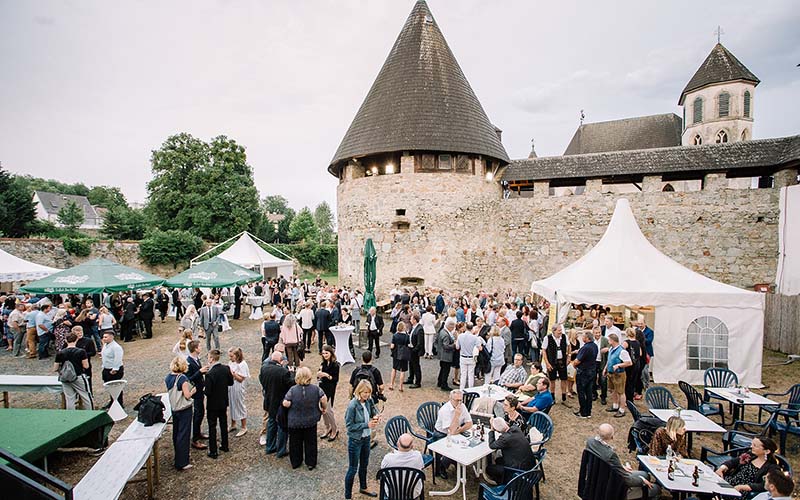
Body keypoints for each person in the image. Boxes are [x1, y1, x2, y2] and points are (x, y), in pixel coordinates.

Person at [585, 424, 659, 498]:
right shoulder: (610, 455)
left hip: (597, 479)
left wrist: (621, 467)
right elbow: (627, 480)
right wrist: (642, 481)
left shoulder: (590, 442)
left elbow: (608, 464)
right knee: (656, 489)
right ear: (612, 437)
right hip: (612, 489)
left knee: (645, 474)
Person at [282, 366, 328, 470]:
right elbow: (324, 398)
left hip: (295, 421)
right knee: (311, 441)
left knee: (294, 442)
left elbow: (286, 403)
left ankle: (296, 462)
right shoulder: (316, 389)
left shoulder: (292, 390)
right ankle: (311, 462)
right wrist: (323, 408)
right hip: (311, 420)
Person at [344, 380, 380, 499]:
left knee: (364, 464)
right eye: (364, 392)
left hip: (366, 438)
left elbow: (374, 410)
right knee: (353, 468)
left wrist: (376, 416)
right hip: (355, 440)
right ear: (359, 391)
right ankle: (348, 496)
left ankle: (363, 487)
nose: (366, 395)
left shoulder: (368, 400)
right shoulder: (352, 405)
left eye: (368, 392)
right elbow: (349, 426)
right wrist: (367, 425)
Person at [715, 437, 781, 495]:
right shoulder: (751, 455)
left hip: (742, 491)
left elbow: (765, 485)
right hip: (730, 481)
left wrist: (745, 487)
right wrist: (722, 468)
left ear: (767, 451)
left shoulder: (772, 468)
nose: (751, 446)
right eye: (752, 444)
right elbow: (733, 461)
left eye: (755, 445)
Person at [433, 389, 473, 479]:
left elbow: (470, 423)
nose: (459, 403)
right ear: (450, 399)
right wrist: (457, 415)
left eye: (460, 400)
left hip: (456, 431)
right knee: (452, 448)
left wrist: (459, 429)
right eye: (457, 400)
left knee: (466, 444)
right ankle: (442, 467)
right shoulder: (445, 410)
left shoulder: (462, 406)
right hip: (441, 434)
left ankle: (457, 461)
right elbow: (451, 431)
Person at [260, 351, 293, 457]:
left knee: (271, 423)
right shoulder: (283, 372)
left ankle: (270, 446)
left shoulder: (264, 368)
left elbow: (262, 381)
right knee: (282, 426)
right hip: (280, 402)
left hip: (269, 400)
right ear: (280, 360)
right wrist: (291, 372)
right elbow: (291, 384)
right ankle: (281, 449)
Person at [166, 356, 196, 470]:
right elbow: (187, 395)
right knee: (184, 434)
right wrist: (193, 391)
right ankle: (182, 461)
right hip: (184, 409)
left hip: (174, 408)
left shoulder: (168, 377)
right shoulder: (182, 378)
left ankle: (178, 456)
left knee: (176, 433)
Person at [486, 417, 536, 484]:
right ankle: (502, 478)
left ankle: (503, 482)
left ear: (497, 430)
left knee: (489, 468)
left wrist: (491, 430)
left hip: (519, 471)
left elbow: (492, 445)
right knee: (498, 460)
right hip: (531, 465)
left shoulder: (504, 439)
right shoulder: (516, 428)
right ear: (506, 423)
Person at [204, 349, 234, 459]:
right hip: (223, 401)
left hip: (212, 404)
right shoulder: (226, 368)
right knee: (223, 423)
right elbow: (231, 382)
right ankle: (225, 445)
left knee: (212, 426)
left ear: (211, 359)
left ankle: (213, 451)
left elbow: (207, 392)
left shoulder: (210, 374)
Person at [54, 332, 93, 410]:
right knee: (86, 396)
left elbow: (55, 368)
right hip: (78, 376)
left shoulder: (60, 353)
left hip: (65, 378)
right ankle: (90, 413)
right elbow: (86, 366)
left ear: (65, 340)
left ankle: (71, 416)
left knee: (69, 398)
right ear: (76, 340)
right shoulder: (81, 352)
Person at [380, 433, 424, 498]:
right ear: (412, 446)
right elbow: (422, 467)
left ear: (397, 444)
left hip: (392, 493)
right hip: (413, 493)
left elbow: (382, 471)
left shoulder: (388, 458)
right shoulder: (418, 456)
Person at [186, 341, 209, 450]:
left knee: (201, 412)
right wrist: (200, 372)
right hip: (195, 392)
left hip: (200, 390)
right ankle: (195, 439)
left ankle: (198, 432)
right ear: (195, 349)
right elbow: (188, 379)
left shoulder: (196, 359)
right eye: (199, 346)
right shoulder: (189, 362)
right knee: (198, 413)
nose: (201, 348)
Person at [604, 333, 632, 418]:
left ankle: (622, 409)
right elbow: (609, 360)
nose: (608, 341)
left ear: (612, 341)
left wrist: (618, 365)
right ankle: (615, 405)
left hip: (619, 374)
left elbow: (629, 362)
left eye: (609, 340)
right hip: (611, 373)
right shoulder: (611, 349)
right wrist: (605, 368)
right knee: (613, 390)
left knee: (621, 392)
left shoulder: (622, 351)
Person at [571, 330, 598, 418]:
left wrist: (574, 364)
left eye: (583, 336)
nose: (581, 338)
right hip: (592, 371)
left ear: (587, 338)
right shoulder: (595, 346)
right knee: (589, 392)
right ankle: (588, 411)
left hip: (583, 372)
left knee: (581, 392)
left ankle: (583, 412)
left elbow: (577, 361)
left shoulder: (585, 348)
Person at [541, 324, 569, 403]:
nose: (560, 332)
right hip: (552, 362)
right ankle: (552, 396)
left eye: (561, 330)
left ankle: (564, 396)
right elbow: (544, 350)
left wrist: (569, 356)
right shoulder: (547, 338)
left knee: (564, 379)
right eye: (559, 330)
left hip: (562, 361)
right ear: (554, 331)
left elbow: (569, 345)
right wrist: (547, 363)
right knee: (552, 379)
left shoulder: (564, 337)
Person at [318, 345, 340, 441]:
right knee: (323, 410)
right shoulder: (323, 364)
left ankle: (334, 429)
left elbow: (335, 379)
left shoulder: (335, 365)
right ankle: (327, 427)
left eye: (326, 353)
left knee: (329, 410)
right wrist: (319, 374)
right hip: (322, 388)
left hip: (330, 389)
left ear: (331, 353)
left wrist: (326, 375)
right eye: (323, 353)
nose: (325, 355)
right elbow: (319, 377)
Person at [227, 347, 249, 438]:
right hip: (231, 386)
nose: (230, 358)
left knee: (239, 404)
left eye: (232, 356)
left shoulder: (243, 364)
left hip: (238, 387)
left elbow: (241, 379)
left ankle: (244, 426)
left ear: (237, 356)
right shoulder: (231, 362)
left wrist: (233, 374)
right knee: (231, 404)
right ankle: (233, 424)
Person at [456, 321, 485, 389]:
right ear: (472, 328)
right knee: (471, 374)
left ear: (466, 327)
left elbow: (457, 347)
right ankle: (470, 389)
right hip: (472, 358)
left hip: (463, 357)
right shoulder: (475, 338)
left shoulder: (460, 336)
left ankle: (461, 389)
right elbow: (480, 348)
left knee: (463, 374)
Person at [100, 331, 124, 407]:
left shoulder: (116, 347)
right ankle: (112, 401)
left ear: (111, 337)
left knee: (116, 386)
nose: (104, 339)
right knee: (109, 387)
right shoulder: (105, 345)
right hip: (106, 368)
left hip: (114, 370)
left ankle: (119, 403)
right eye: (103, 337)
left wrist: (115, 369)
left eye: (106, 337)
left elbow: (118, 358)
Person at [436, 317, 457, 391]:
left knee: (443, 369)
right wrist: (454, 345)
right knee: (446, 370)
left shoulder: (442, 331)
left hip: (442, 354)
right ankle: (444, 384)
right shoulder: (446, 334)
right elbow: (446, 346)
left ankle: (440, 381)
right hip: (446, 355)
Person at [389, 321, 411, 392]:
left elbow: (392, 346)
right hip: (404, 354)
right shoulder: (407, 336)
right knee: (402, 371)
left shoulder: (395, 335)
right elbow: (408, 344)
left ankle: (391, 384)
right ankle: (400, 386)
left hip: (396, 354)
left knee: (394, 369)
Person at [406, 312, 424, 388]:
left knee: (416, 365)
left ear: (415, 320)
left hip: (414, 350)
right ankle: (410, 378)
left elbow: (420, 342)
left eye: (411, 319)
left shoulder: (419, 329)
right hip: (410, 348)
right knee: (410, 364)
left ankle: (418, 382)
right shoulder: (413, 327)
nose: (410, 320)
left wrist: (415, 349)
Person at [592, 326, 610, 405]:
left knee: (603, 380)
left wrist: (607, 349)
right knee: (592, 379)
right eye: (596, 333)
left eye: (599, 332)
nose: (598, 334)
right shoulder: (592, 340)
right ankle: (594, 394)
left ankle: (603, 396)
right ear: (593, 333)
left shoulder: (605, 340)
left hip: (602, 362)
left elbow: (611, 347)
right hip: (593, 362)